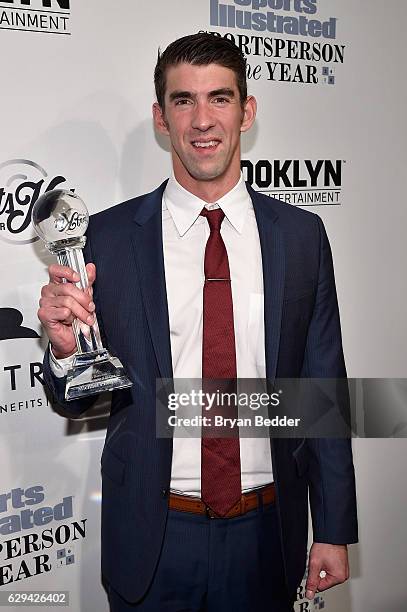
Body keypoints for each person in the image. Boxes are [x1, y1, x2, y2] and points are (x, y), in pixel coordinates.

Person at [38, 33, 358, 612]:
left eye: (220, 97)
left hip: (267, 533)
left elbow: (322, 393)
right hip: (154, 539)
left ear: (247, 110)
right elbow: (73, 400)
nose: (202, 120)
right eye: (183, 101)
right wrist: (64, 352)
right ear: (161, 118)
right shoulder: (106, 241)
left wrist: (332, 527)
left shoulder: (300, 237)